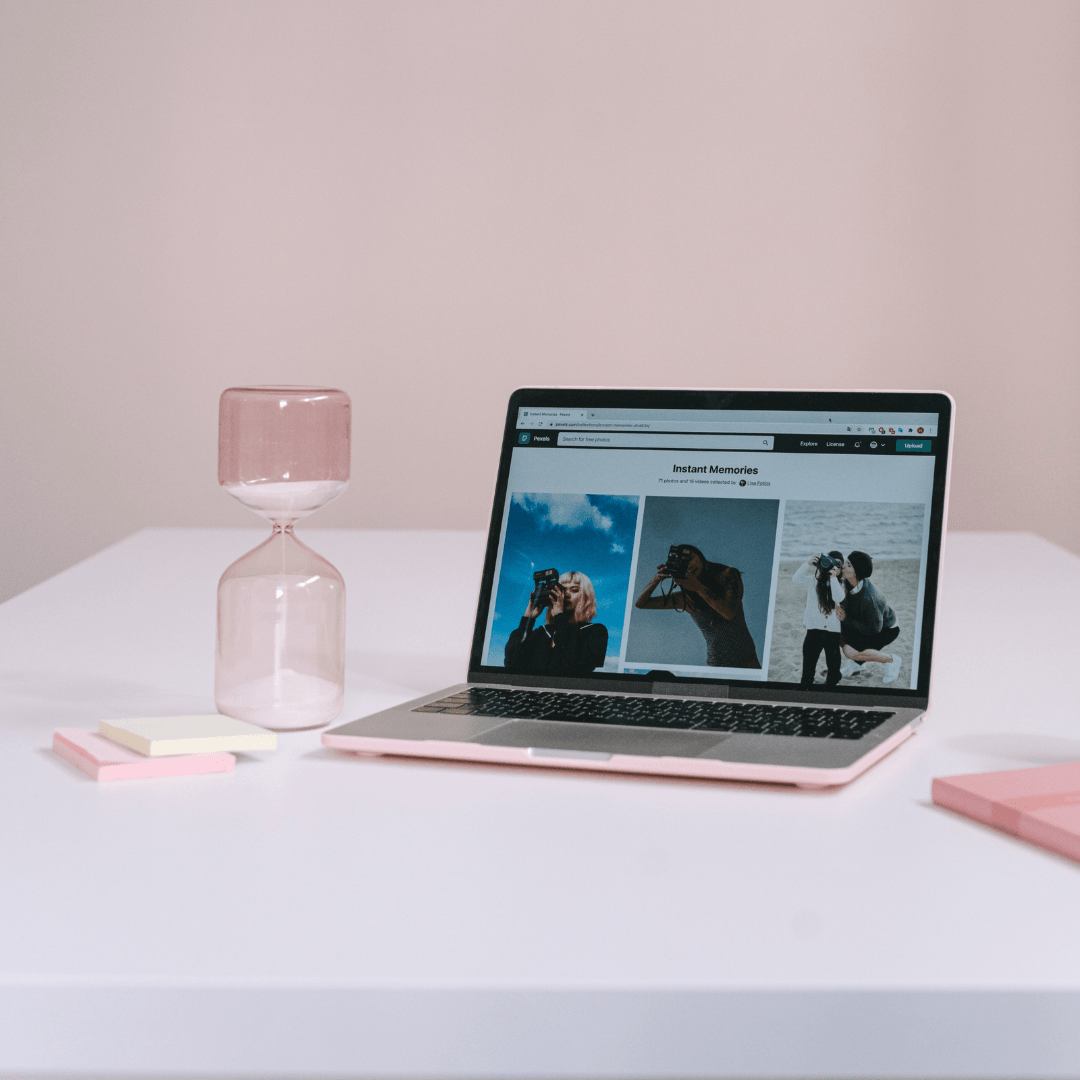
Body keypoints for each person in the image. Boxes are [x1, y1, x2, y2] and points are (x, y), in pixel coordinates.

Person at [634, 544, 761, 668]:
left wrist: (698, 587)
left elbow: (729, 613)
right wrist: (656, 579)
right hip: (717, 662)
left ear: (700, 556)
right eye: (683, 563)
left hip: (748, 660)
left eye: (690, 559)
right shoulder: (685, 599)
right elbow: (641, 604)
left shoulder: (727, 575)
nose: (689, 565)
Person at [504, 570, 608, 676]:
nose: (566, 594)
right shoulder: (542, 632)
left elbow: (574, 666)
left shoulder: (596, 632)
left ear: (586, 597)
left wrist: (559, 617)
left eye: (574, 590)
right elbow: (511, 664)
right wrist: (528, 620)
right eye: (562, 590)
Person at [835, 550, 903, 683]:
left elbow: (874, 629)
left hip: (886, 629)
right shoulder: (850, 581)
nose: (843, 566)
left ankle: (891, 660)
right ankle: (856, 665)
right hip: (866, 621)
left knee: (851, 651)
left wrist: (846, 619)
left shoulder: (870, 598)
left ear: (857, 572)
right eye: (846, 562)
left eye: (848, 565)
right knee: (836, 632)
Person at [792, 550, 846, 688]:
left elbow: (838, 597)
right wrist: (808, 563)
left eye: (838, 565)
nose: (834, 567)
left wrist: (833, 578)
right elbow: (795, 579)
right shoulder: (813, 580)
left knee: (833, 670)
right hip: (814, 630)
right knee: (808, 669)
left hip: (833, 632)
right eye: (831, 563)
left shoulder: (840, 584)